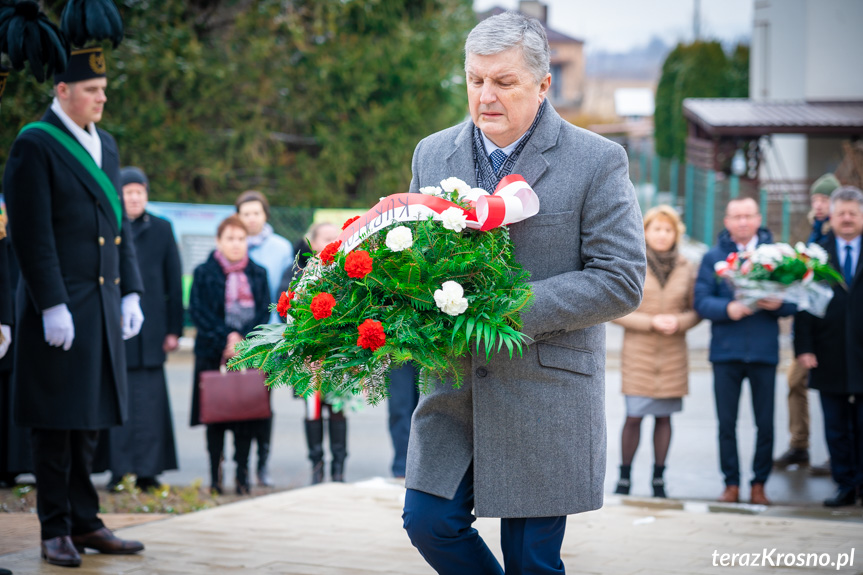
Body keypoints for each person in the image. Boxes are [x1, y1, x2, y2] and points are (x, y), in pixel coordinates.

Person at [400, 12, 645, 574]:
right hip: (453, 389)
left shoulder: (597, 160)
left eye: (503, 82)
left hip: (545, 393)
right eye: (474, 79)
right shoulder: (432, 154)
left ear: (542, 85)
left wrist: (500, 311)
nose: (485, 96)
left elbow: (622, 278)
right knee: (428, 523)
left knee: (530, 561)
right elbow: (409, 259)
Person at [3, 47, 146, 567]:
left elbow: (117, 227)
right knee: (54, 424)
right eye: (91, 89)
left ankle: (85, 522)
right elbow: (31, 234)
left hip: (101, 302)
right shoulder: (34, 145)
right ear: (62, 91)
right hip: (59, 308)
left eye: (103, 88)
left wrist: (131, 289)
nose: (102, 97)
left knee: (88, 420)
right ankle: (54, 528)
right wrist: (50, 304)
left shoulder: (104, 144)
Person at [694, 197, 796, 505]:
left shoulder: (778, 257)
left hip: (764, 353)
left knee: (765, 424)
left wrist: (780, 304)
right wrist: (729, 308)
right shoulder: (713, 257)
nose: (742, 222)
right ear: (726, 221)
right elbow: (700, 301)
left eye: (748, 216)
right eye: (736, 216)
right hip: (726, 353)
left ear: (758, 218)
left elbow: (795, 300)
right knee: (727, 425)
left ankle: (759, 485)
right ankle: (732, 484)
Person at [612, 206, 701, 498]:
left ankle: (658, 479)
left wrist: (680, 322)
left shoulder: (687, 267)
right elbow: (616, 309)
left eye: (668, 229)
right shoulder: (632, 263)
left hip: (673, 353)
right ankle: (624, 477)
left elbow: (696, 311)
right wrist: (651, 322)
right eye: (656, 229)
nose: (662, 235)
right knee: (634, 416)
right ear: (645, 232)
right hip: (638, 353)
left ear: (676, 234)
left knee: (664, 418)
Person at [102, 167, 182, 491]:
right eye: (128, 191)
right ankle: (118, 470)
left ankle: (150, 470)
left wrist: (174, 329)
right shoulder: (108, 226)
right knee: (116, 400)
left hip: (152, 332)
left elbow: (173, 284)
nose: (134, 197)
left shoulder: (162, 229)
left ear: (146, 194)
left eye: (140, 191)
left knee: (151, 404)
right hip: (115, 329)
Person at [189, 215, 270, 495]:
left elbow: (263, 312)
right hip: (212, 355)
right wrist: (225, 338)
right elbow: (198, 311)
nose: (236, 245)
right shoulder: (203, 272)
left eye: (241, 239)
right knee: (216, 417)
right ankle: (215, 476)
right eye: (230, 239)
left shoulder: (258, 273)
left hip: (247, 356)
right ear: (218, 241)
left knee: (246, 418)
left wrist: (240, 340)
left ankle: (242, 475)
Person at [794, 186, 863, 507]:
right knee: (835, 426)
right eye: (842, 213)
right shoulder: (816, 255)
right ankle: (845, 485)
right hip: (828, 352)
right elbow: (804, 306)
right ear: (831, 217)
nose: (847, 219)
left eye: (853, 213)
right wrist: (803, 347)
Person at [774, 173, 840, 475]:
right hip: (809, 327)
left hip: (836, 330)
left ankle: (840, 454)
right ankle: (800, 444)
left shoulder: (841, 234)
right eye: (815, 199)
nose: (819, 204)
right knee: (795, 381)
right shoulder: (814, 231)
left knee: (838, 392)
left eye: (825, 199)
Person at [235, 190, 294, 487]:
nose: (251, 219)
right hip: (238, 335)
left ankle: (262, 465)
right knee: (236, 403)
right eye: (245, 213)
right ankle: (238, 467)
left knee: (263, 403)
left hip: (271, 335)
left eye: (256, 213)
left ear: (265, 215)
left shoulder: (281, 247)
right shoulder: (232, 244)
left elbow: (285, 289)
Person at [293, 222, 351, 484]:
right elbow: (291, 314)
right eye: (325, 238)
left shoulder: (347, 272)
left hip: (339, 356)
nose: (331, 241)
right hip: (311, 357)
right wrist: (306, 350)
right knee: (312, 410)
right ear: (313, 244)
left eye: (335, 237)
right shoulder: (300, 274)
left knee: (338, 410)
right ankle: (316, 467)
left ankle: (338, 470)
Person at [387, 363, 419, 480]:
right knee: (399, 409)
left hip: (432, 349)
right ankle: (402, 469)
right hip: (397, 349)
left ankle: (424, 466)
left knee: (428, 409)